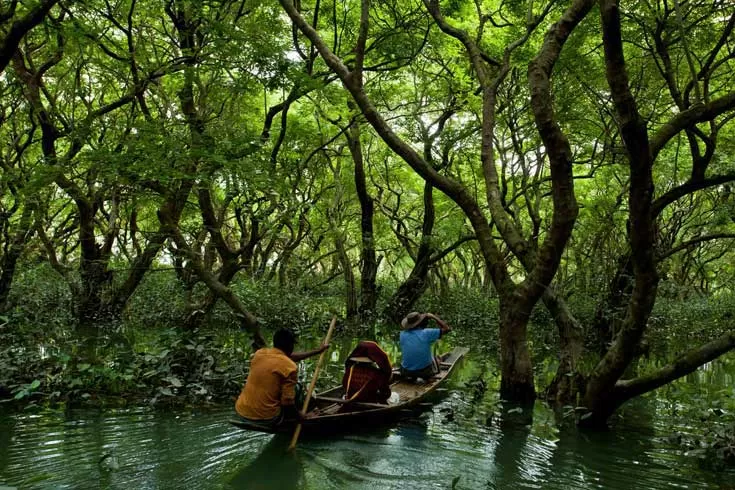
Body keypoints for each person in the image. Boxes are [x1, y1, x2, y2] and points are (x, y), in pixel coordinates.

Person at [235, 328, 328, 427]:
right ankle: (292, 418)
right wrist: (302, 417)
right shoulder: (290, 367)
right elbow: (287, 402)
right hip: (268, 418)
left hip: (241, 412)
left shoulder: (260, 354)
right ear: (290, 346)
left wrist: (318, 351)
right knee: (297, 388)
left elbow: (287, 357)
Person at [399, 311, 451, 380]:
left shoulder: (402, 334)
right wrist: (433, 317)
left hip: (405, 371)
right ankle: (437, 362)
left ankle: (413, 376)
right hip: (424, 372)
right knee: (433, 358)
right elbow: (447, 329)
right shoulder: (426, 333)